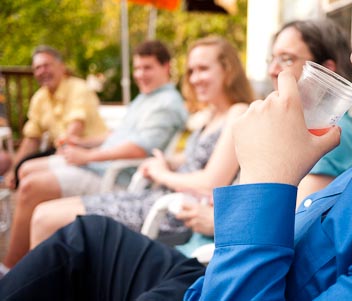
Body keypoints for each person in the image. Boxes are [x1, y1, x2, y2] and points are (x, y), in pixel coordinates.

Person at [2, 0, 352, 299]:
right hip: (208, 267)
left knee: (57, 219)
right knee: (86, 236)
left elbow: (236, 195)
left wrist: (264, 176)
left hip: (222, 272)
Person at [9, 36, 255, 269]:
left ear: (228, 70)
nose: (194, 78)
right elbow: (194, 160)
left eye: (203, 69)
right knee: (43, 213)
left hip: (172, 214)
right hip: (155, 198)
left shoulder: (238, 112)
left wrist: (161, 173)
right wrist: (164, 161)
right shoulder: (212, 115)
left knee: (45, 220)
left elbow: (211, 181)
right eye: (191, 71)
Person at [0, 40, 188, 271]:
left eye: (147, 68)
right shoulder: (146, 97)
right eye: (137, 68)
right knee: (26, 170)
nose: (140, 74)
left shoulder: (167, 104)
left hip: (118, 178)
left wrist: (87, 156)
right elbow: (116, 136)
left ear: (166, 66)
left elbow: (138, 149)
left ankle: (12, 268)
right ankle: (35, 255)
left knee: (30, 186)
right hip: (101, 165)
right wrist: (83, 143)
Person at [267, 19, 352, 205]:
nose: (272, 70)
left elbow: (296, 223)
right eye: (272, 59)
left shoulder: (330, 132)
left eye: (287, 59)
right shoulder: (304, 125)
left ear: (326, 70)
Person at [4, 45, 109, 189]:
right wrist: (13, 169)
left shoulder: (78, 88)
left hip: (89, 153)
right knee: (21, 170)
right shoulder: (40, 97)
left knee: (28, 174)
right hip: (63, 151)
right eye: (37, 68)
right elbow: (31, 138)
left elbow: (74, 131)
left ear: (62, 67)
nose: (42, 71)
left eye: (46, 65)